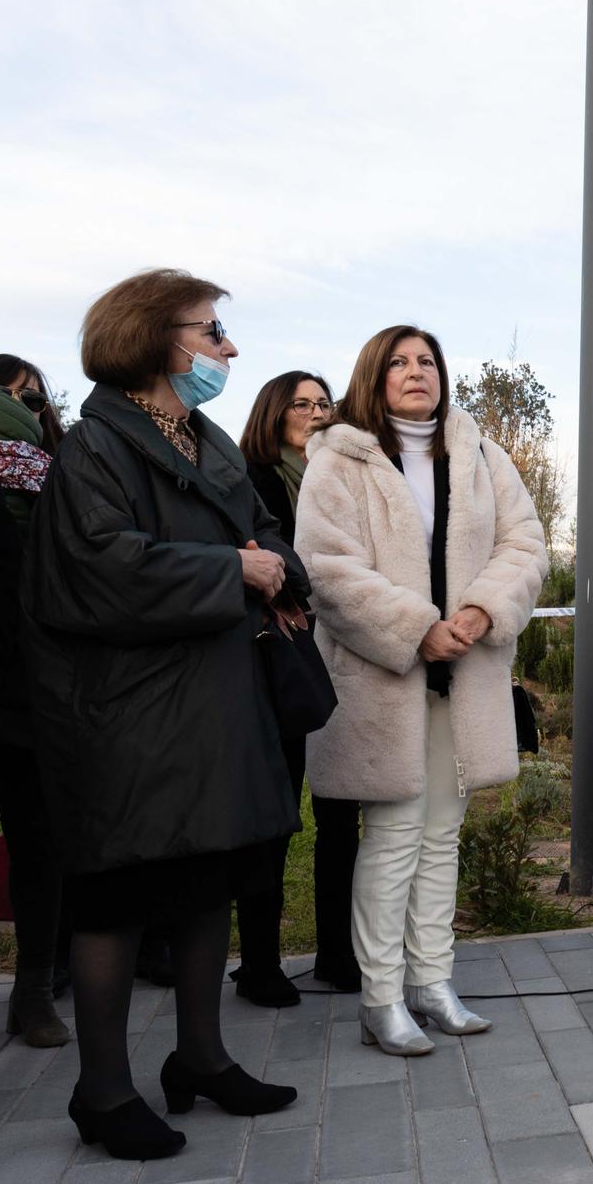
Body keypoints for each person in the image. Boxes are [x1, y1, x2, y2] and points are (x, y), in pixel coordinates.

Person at [24, 269, 300, 1158]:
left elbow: (264, 527)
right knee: (117, 900)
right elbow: (100, 568)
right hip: (124, 714)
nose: (227, 348)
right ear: (155, 338)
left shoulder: (204, 437)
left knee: (206, 880)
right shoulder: (95, 448)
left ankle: (201, 1057)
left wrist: (281, 570)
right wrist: (235, 573)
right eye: (210, 332)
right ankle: (102, 1091)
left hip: (212, 701)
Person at [298, 326, 548, 1054]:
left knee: (443, 835)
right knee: (394, 838)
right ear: (374, 376)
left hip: (463, 674)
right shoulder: (339, 459)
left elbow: (524, 542)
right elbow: (327, 566)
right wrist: (415, 627)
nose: (417, 372)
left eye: (428, 361)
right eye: (401, 362)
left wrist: (480, 609)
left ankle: (432, 981)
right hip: (384, 679)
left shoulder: (479, 452)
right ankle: (381, 996)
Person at [227, 371, 362, 1003]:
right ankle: (259, 963)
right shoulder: (248, 479)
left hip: (351, 658)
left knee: (342, 814)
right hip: (281, 665)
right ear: (273, 414)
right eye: (299, 404)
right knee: (275, 814)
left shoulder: (348, 478)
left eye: (321, 403)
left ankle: (338, 953)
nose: (313, 412)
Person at [0, 357, 69, 1048]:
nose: (21, 403)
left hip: (30, 675)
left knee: (37, 834)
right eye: (8, 391)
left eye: (32, 395)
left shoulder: (61, 475)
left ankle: (35, 988)